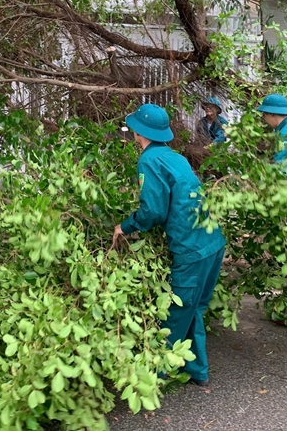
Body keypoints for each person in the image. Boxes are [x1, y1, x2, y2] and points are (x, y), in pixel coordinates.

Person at [112, 103, 226, 386]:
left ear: (139, 132)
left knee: (176, 313)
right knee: (194, 309)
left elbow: (153, 211)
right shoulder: (175, 157)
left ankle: (155, 375)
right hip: (212, 242)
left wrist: (125, 227)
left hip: (192, 249)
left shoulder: (149, 160)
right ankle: (197, 370)